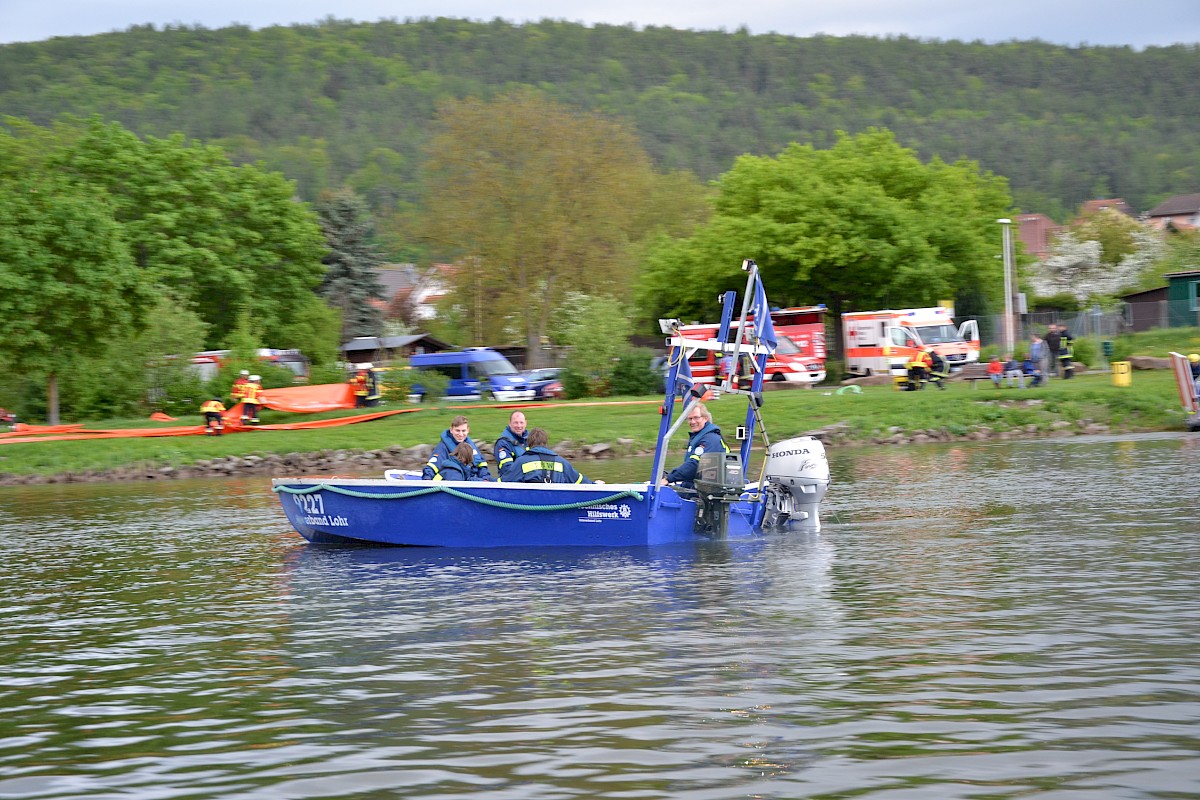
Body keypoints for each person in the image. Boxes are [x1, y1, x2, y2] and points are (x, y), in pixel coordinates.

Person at [662, 402, 729, 489]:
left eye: (696, 418)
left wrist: (669, 478)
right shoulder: (700, 436)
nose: (692, 422)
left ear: (705, 418)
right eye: (690, 419)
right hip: (698, 485)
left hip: (710, 490)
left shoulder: (710, 439)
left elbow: (695, 464)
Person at [510, 427, 595, 484]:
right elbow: (580, 481)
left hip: (529, 506)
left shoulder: (521, 462)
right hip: (557, 507)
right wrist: (595, 484)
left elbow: (504, 481)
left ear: (528, 444)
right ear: (546, 444)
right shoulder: (562, 463)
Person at [423, 415, 492, 481]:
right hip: (452, 480)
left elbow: (481, 464)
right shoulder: (443, 447)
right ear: (451, 430)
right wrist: (427, 479)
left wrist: (485, 478)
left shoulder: (470, 445)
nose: (461, 434)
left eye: (463, 431)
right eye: (457, 431)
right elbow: (432, 466)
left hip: (471, 480)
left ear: (468, 430)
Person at [494, 410, 529, 482]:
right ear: (510, 423)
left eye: (521, 422)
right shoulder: (503, 443)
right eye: (516, 423)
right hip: (512, 484)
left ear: (526, 423)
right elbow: (507, 470)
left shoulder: (530, 439)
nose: (519, 426)